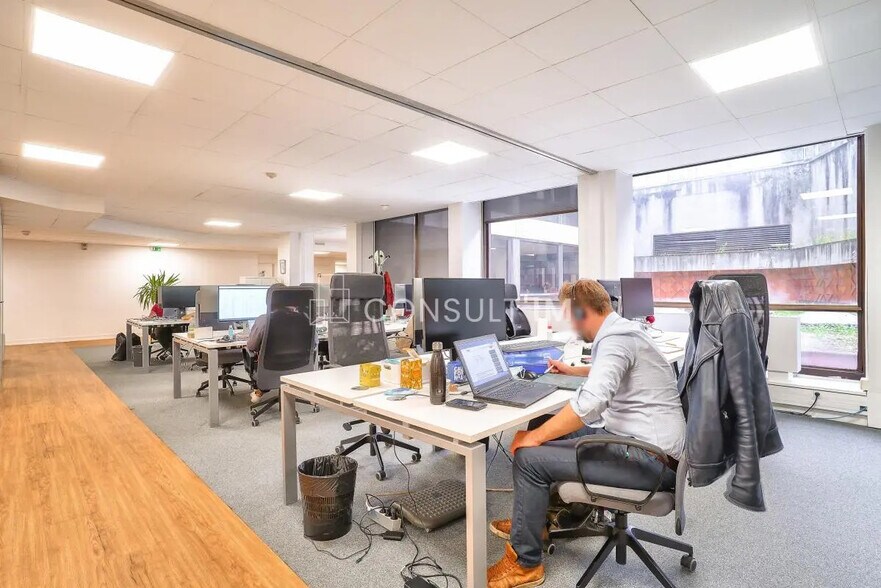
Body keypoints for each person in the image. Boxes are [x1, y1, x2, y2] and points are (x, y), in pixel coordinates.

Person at [486, 279, 686, 588]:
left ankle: (525, 565)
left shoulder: (616, 339)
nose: (571, 324)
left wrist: (534, 440)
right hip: (647, 448)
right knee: (542, 426)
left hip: (647, 461)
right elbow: (612, 372)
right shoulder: (623, 331)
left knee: (528, 456)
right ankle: (533, 523)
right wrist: (574, 371)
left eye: (571, 315)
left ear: (583, 312)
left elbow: (591, 403)